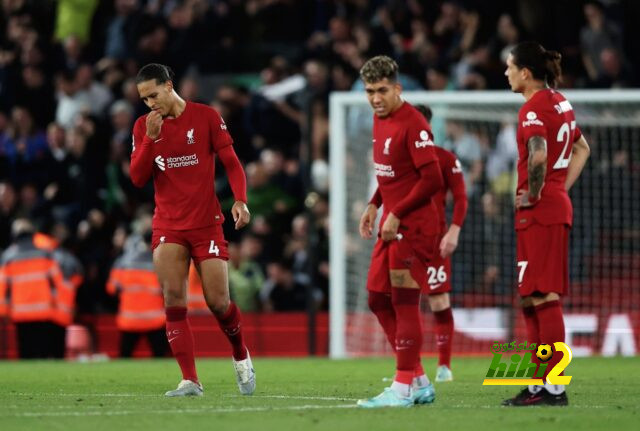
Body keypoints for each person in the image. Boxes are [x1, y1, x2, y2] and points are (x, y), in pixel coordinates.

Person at [130, 63, 255, 397]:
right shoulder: (144, 127)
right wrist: (149, 141)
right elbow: (137, 178)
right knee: (173, 299)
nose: (149, 104)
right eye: (143, 99)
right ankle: (190, 380)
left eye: (153, 95)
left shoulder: (207, 117)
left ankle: (240, 354)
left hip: (206, 225)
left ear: (169, 86)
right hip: (168, 225)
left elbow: (231, 161)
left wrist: (240, 200)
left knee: (218, 302)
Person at [502, 42, 590, 406]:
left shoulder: (533, 108)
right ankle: (539, 384)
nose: (506, 73)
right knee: (530, 297)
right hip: (551, 207)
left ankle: (554, 387)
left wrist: (538, 194)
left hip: (540, 212)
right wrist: (558, 188)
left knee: (544, 295)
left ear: (525, 72)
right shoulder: (560, 102)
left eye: (510, 67)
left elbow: (538, 154)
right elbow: (582, 147)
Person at [357, 56, 444, 408]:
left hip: (416, 224)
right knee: (377, 298)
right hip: (392, 221)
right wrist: (375, 203)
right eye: (369, 91)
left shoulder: (413, 122)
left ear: (397, 88)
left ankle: (403, 387)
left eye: (381, 90)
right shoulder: (380, 120)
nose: (375, 98)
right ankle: (419, 380)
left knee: (404, 303)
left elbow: (432, 179)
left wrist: (398, 212)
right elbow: (392, 173)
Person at [416, 105, 468, 382]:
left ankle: (444, 366)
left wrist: (454, 232)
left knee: (438, 301)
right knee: (403, 303)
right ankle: (410, 369)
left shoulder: (445, 158)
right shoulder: (401, 160)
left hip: (435, 242)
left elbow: (461, 197)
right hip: (406, 241)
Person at [0, 219, 70, 358]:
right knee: (42, 351)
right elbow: (59, 283)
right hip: (43, 310)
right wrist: (59, 308)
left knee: (26, 353)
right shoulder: (44, 254)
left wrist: (3, 312)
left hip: (20, 312)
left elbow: (2, 288)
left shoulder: (8, 257)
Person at [106, 230, 168, 358]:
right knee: (161, 359)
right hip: (155, 320)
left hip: (130, 320)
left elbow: (111, 289)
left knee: (125, 358)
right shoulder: (161, 262)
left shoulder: (122, 263)